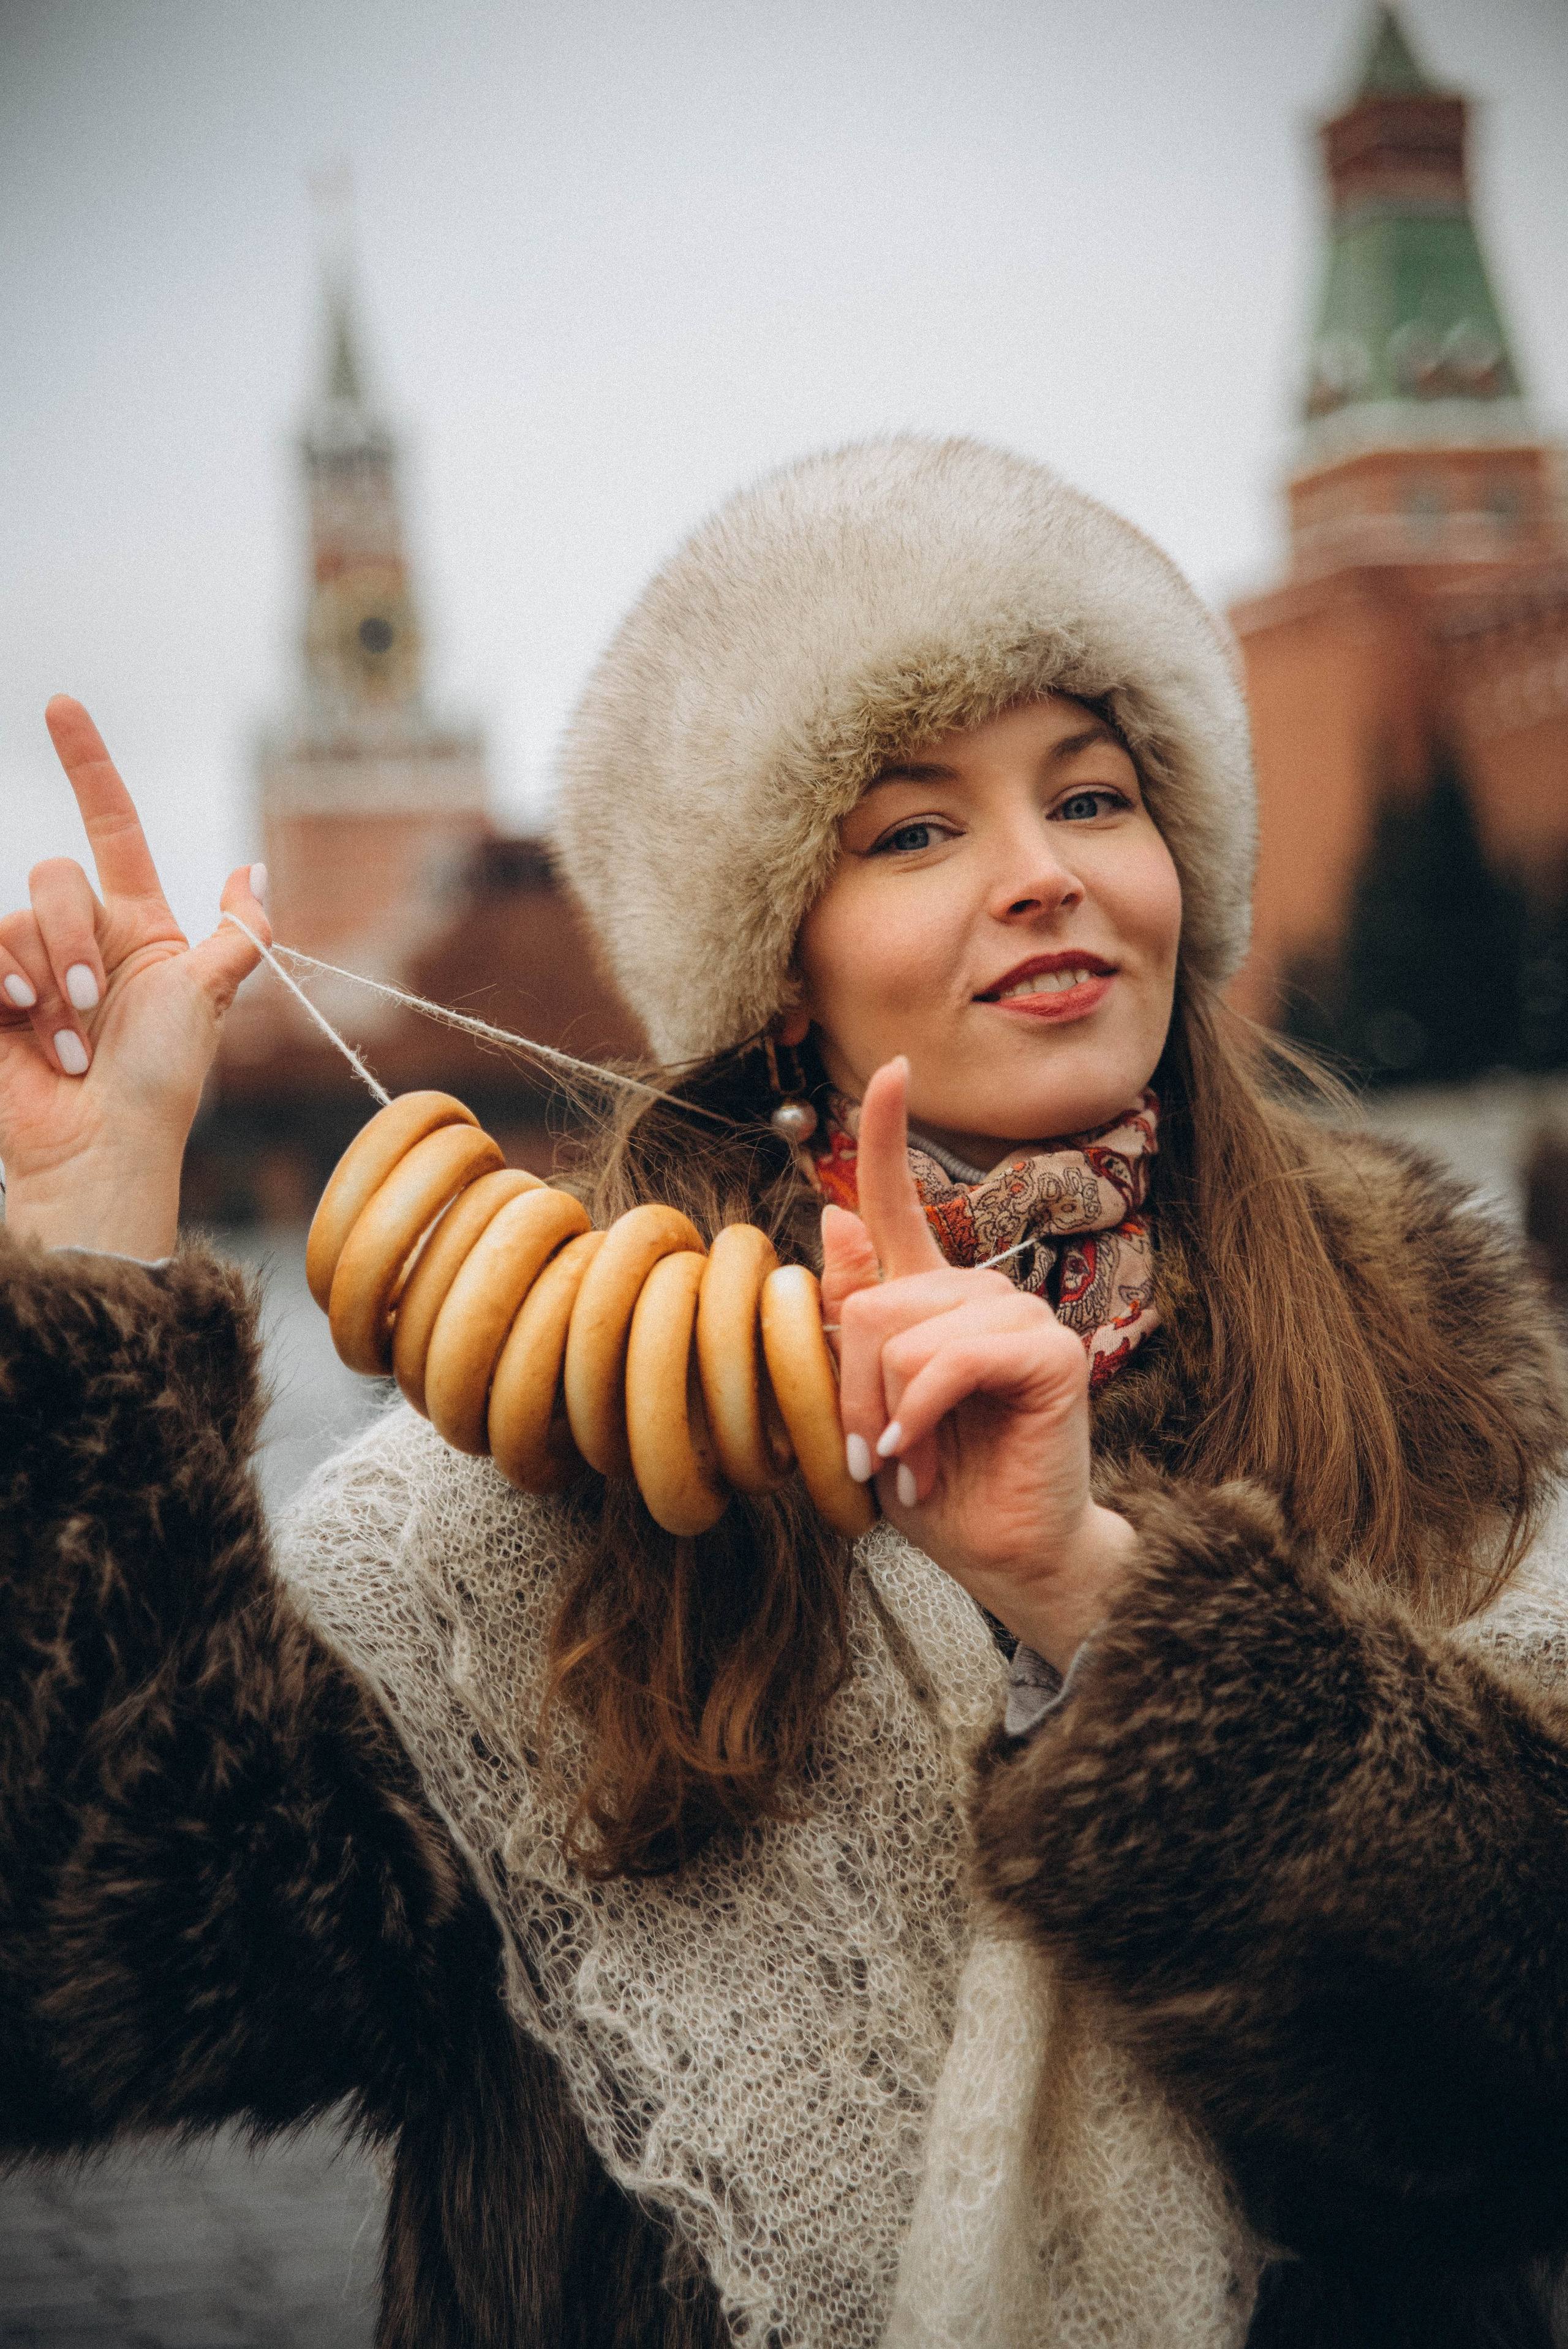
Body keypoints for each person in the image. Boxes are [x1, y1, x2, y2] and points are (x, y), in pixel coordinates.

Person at [3, 435, 1568, 2349]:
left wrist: (1099, 1598)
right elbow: (94, 1985)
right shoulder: (554, 1454)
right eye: (914, 831)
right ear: (781, 971)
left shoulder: (1447, 1390)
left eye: (1096, 794)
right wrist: (82, 1258)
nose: (1045, 874)